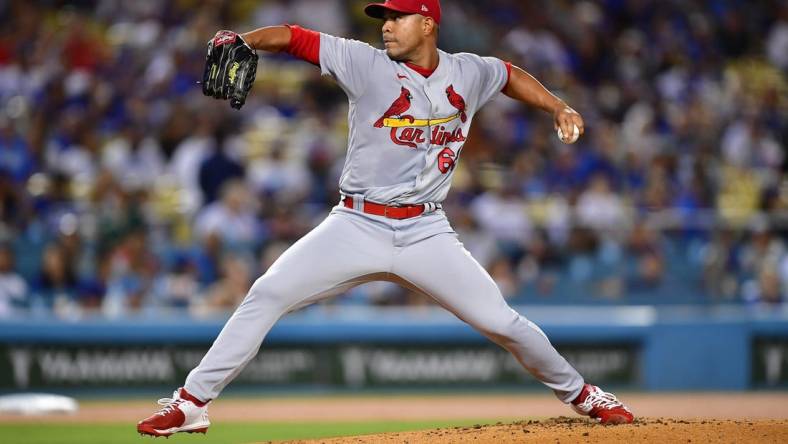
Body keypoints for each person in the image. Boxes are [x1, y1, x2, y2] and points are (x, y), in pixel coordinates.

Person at [137, 0, 633, 437]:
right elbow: (294, 37)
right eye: (385, 16)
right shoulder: (366, 63)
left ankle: (583, 394)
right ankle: (191, 404)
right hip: (356, 223)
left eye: (398, 16)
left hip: (425, 229)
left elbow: (507, 75)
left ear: (429, 24)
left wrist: (557, 105)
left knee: (502, 321)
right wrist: (245, 39)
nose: (387, 25)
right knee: (267, 293)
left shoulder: (467, 71)